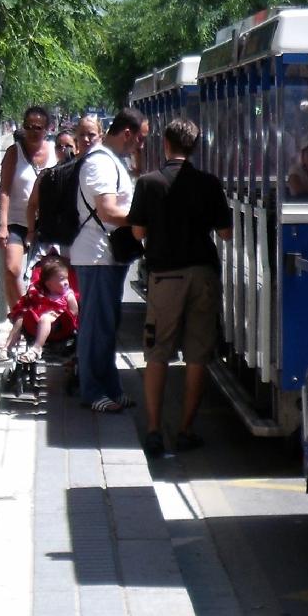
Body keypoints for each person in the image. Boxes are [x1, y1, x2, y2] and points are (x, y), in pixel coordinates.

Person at [128, 117, 232, 456]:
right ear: (195, 147)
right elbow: (226, 232)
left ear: (166, 144)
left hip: (165, 276)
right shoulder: (209, 183)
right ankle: (186, 429)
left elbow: (138, 233)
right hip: (203, 272)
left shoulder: (148, 183)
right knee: (197, 355)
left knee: (157, 353)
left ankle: (155, 429)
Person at [72, 108, 145, 413]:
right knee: (96, 326)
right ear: (127, 133)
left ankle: (110, 387)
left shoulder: (112, 160)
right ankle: (92, 390)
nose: (141, 145)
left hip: (105, 256)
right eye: (140, 138)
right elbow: (107, 210)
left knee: (107, 324)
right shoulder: (101, 163)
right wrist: (143, 220)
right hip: (97, 255)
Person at [0, 104, 54, 309]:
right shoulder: (14, 153)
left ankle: (42, 317)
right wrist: (3, 225)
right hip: (17, 221)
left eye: (38, 127)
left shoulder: (54, 152)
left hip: (46, 224)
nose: (33, 131)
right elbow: (4, 190)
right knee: (12, 269)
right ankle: (23, 316)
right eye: (29, 126)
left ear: (47, 129)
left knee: (47, 274)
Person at [2, 255, 78, 361]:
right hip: (36, 322)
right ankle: (7, 348)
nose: (66, 282)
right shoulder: (40, 293)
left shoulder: (68, 294)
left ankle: (36, 349)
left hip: (60, 324)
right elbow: (31, 304)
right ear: (49, 284)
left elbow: (74, 311)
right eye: (61, 279)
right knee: (21, 318)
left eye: (66, 278)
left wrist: (63, 315)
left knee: (45, 318)